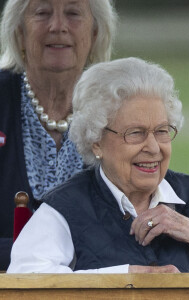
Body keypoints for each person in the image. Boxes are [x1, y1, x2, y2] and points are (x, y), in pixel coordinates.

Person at [8, 57, 189, 273]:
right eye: (135, 133)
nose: (154, 147)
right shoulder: (66, 207)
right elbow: (26, 278)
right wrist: (129, 277)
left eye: (161, 131)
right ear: (96, 141)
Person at [0, 0, 116, 270]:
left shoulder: (119, 108)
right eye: (42, 13)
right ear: (20, 32)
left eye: (73, 13)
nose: (58, 26)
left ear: (95, 33)